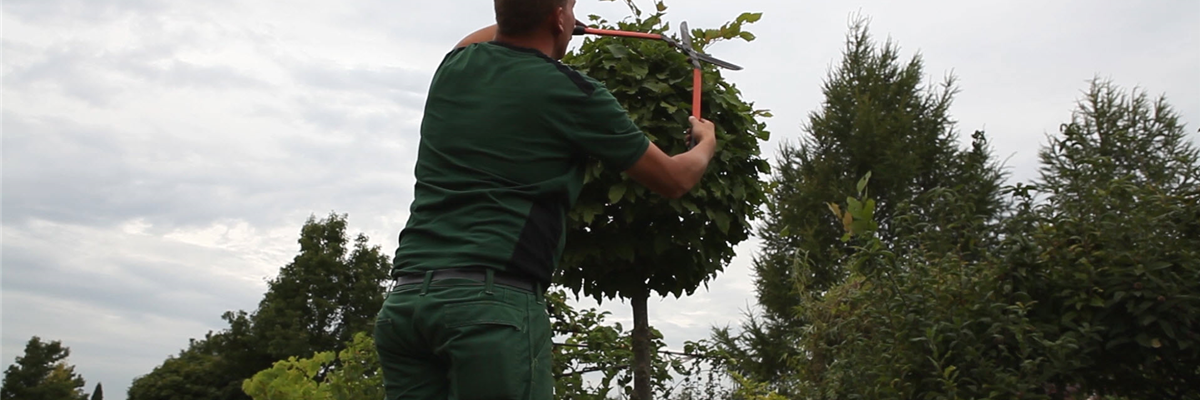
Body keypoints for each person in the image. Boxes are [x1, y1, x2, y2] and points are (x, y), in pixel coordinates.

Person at [372, 0, 717, 398]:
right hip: (490, 310)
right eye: (569, 8)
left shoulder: (455, 67)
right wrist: (705, 143)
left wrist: (546, 20)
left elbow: (491, 32)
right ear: (557, 18)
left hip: (406, 305)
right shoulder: (572, 92)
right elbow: (674, 179)